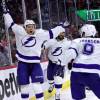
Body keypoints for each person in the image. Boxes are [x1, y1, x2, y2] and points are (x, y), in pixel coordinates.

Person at [2, 2, 66, 100]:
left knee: (37, 86)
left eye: (32, 26)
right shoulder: (19, 31)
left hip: (35, 64)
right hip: (23, 64)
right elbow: (10, 23)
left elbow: (52, 33)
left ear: (35, 27)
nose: (31, 28)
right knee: (24, 87)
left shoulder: (39, 34)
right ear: (25, 27)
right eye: (28, 26)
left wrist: (61, 26)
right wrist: (6, 13)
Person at [62, 24, 100, 99]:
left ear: (83, 33)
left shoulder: (77, 41)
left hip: (76, 74)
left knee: (78, 98)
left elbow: (70, 54)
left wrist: (63, 64)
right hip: (92, 74)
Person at [43, 29, 71, 100]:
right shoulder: (51, 41)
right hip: (51, 62)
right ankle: (51, 85)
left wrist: (70, 61)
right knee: (49, 77)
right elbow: (43, 47)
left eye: (63, 33)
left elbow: (73, 50)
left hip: (60, 63)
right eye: (60, 33)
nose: (62, 34)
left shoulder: (68, 42)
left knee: (58, 79)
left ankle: (57, 94)